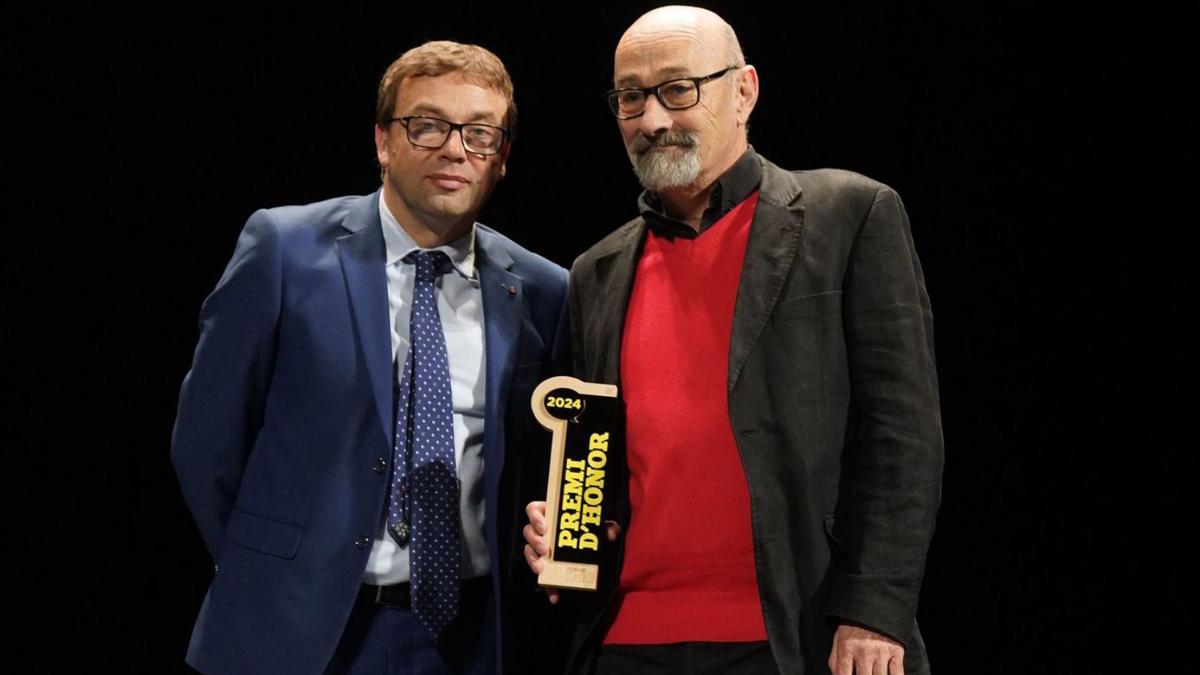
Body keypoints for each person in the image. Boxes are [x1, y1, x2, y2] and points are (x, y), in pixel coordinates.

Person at [523, 6, 943, 674]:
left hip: (794, 639)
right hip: (626, 641)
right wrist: (569, 528)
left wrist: (873, 609)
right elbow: (599, 460)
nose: (653, 118)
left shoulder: (849, 215)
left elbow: (902, 436)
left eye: (678, 89)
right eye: (631, 96)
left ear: (744, 89)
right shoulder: (596, 271)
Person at [172, 40, 568, 675]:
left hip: (471, 638)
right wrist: (271, 569)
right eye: (428, 125)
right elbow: (207, 440)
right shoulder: (283, 250)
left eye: (479, 133)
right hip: (298, 631)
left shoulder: (546, 290)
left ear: (501, 159)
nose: (454, 149)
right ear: (384, 141)